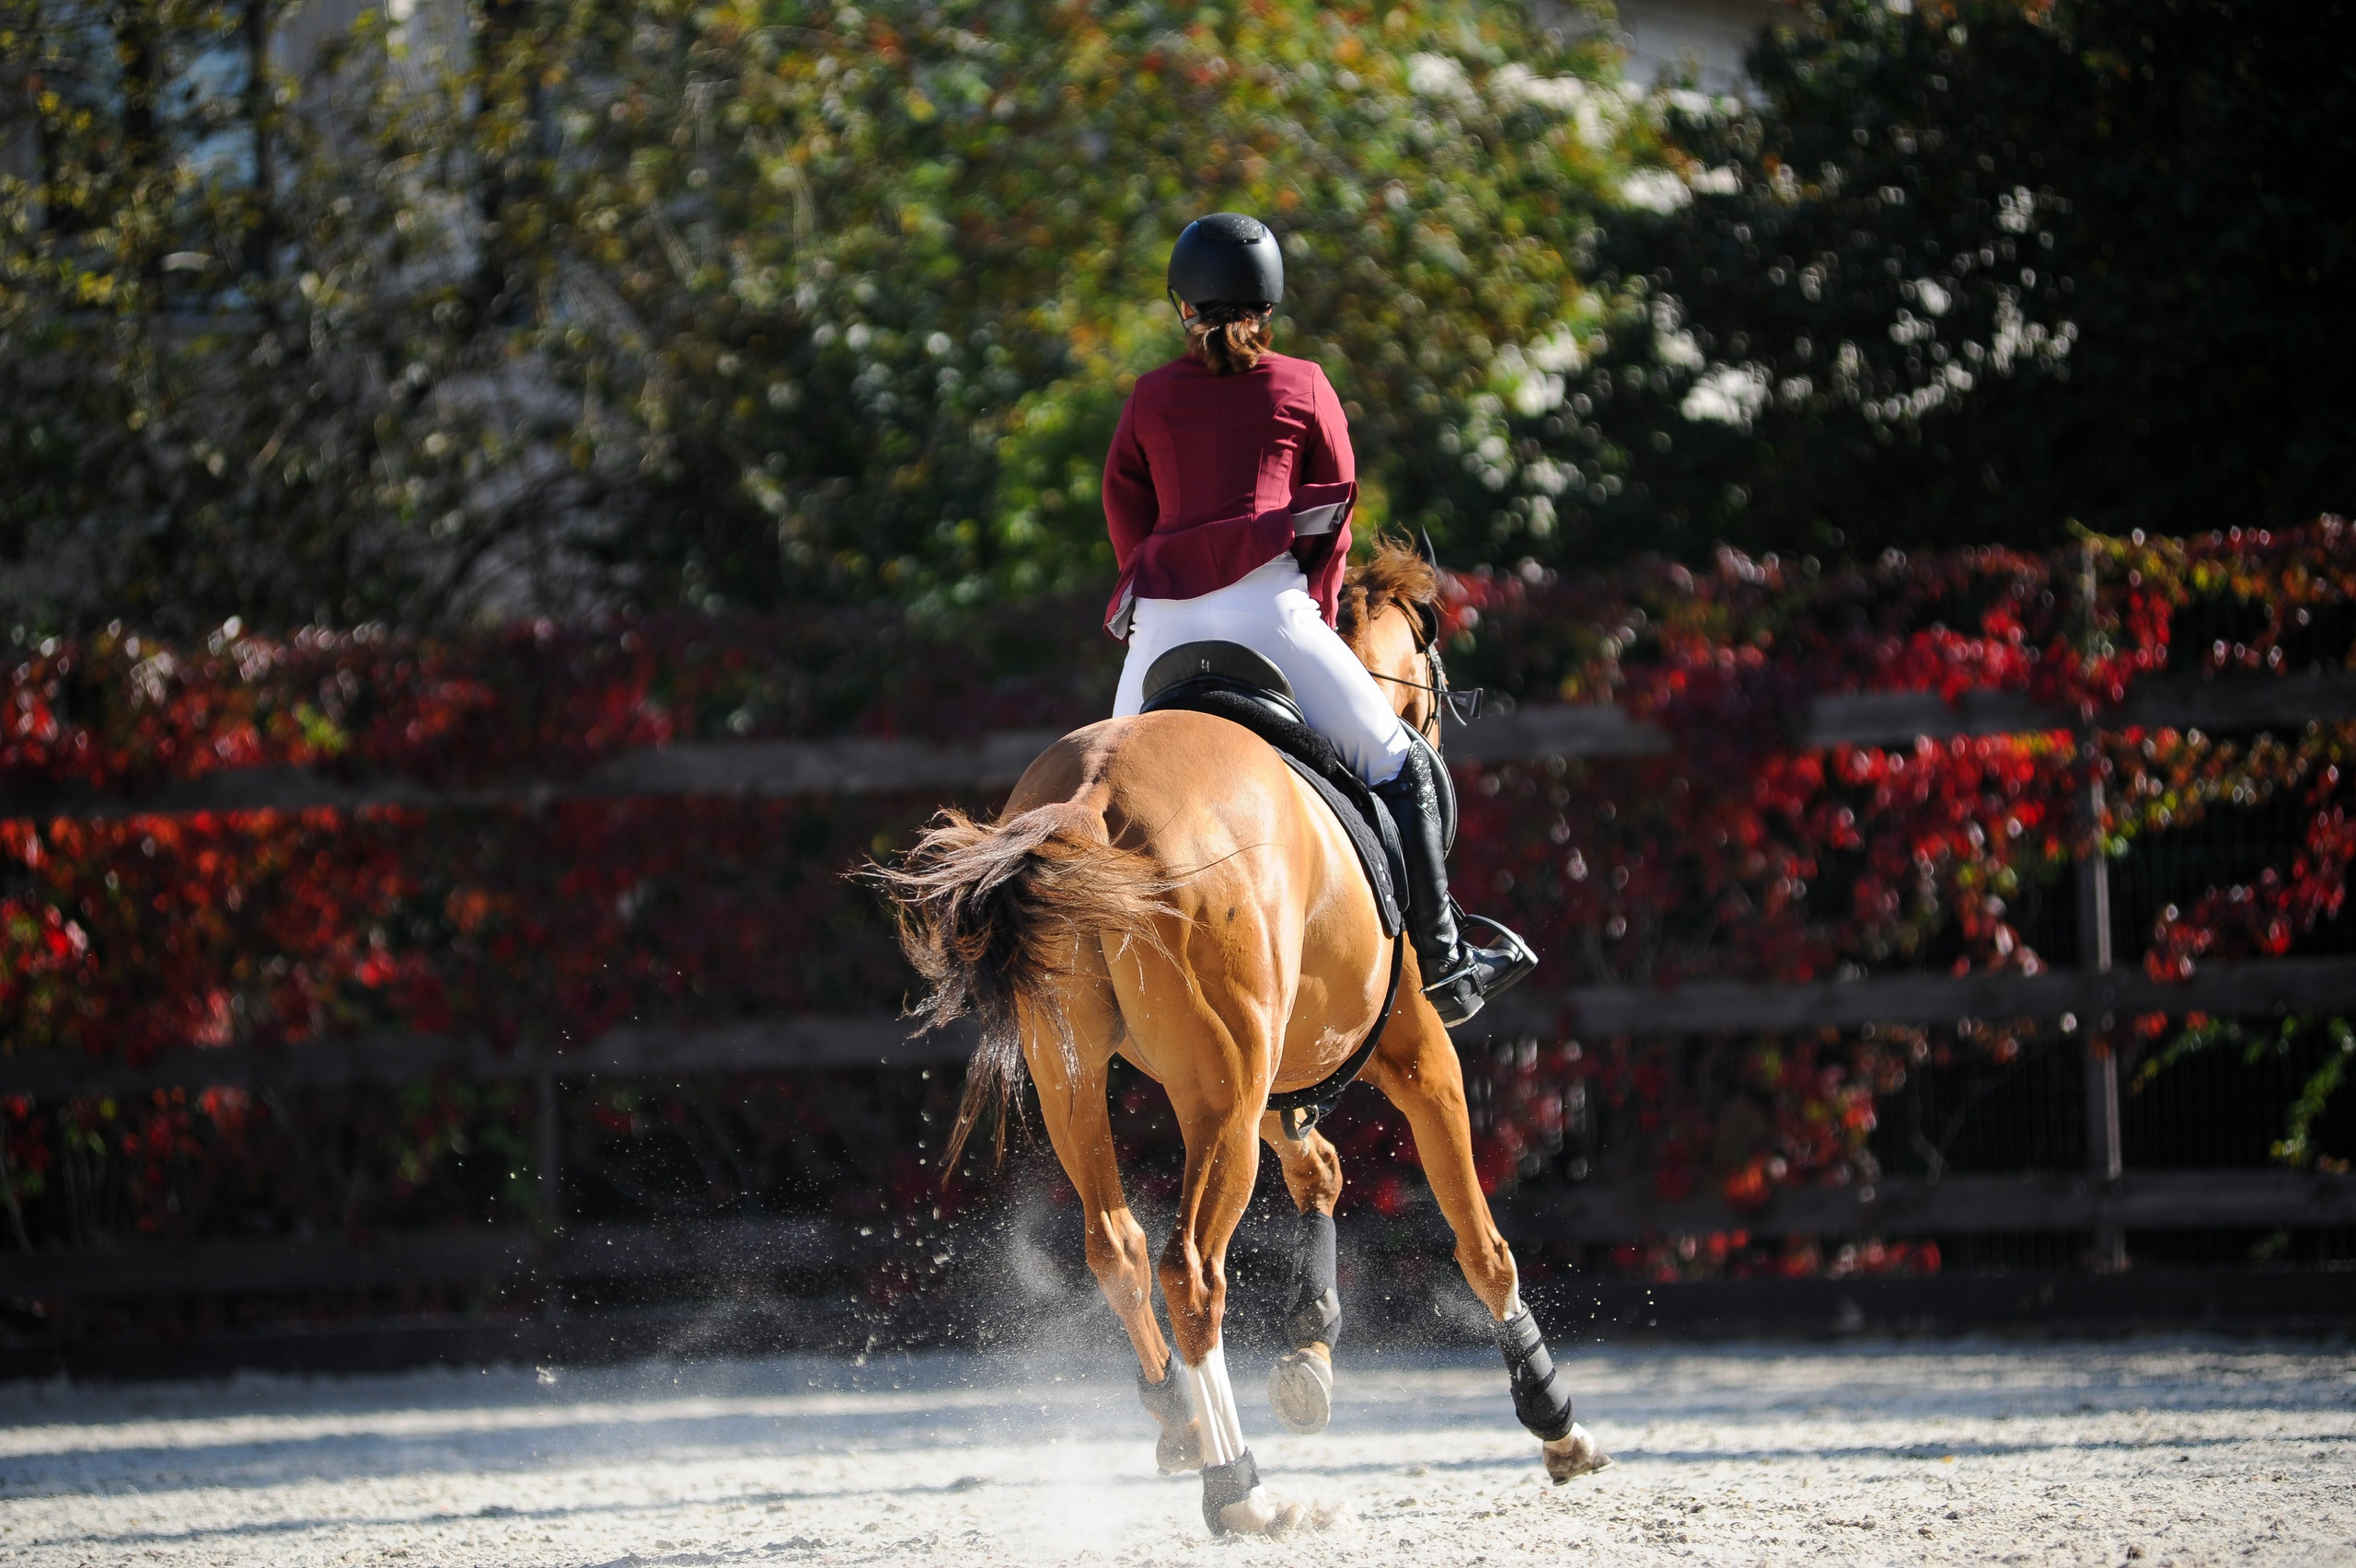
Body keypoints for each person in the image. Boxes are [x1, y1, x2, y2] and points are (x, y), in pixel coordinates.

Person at [1101, 212, 1534, 1027]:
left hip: (1160, 625)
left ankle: (1097, 992)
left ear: (1182, 305)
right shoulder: (1302, 383)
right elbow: (1335, 513)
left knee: (1106, 798)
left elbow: (1122, 503)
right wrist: (1321, 611)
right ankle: (1447, 965)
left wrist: (1154, 579)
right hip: (1269, 612)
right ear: (1268, 304)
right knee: (1400, 763)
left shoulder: (1148, 396)